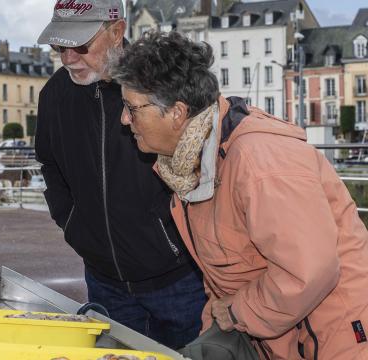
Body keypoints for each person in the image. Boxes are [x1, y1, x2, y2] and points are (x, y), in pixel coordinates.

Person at [112, 31, 368, 359]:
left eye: (131, 108)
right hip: (273, 331)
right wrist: (216, 329)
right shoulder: (189, 166)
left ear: (177, 112)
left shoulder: (258, 161)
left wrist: (232, 314)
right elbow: (222, 277)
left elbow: (309, 272)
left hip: (334, 338)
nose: (124, 119)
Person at [35, 0, 205, 349]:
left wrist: (177, 240)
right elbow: (49, 165)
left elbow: (201, 161)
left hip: (179, 279)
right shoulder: (54, 95)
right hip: (104, 280)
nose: (68, 59)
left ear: (117, 31)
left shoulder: (164, 82)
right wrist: (74, 227)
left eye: (81, 45)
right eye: (59, 46)